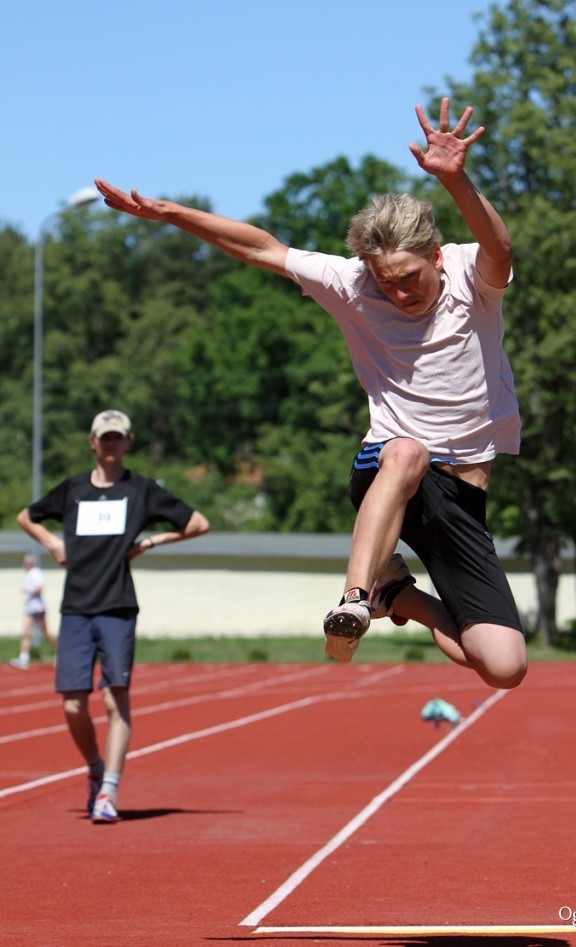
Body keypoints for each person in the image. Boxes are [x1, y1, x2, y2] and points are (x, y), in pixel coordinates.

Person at [94, 96, 526, 688]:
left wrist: (456, 180)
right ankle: (353, 598)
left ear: (435, 254)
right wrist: (169, 212)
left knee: (503, 667)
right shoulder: (351, 283)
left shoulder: (472, 275)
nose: (397, 294)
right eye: (385, 282)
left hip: (463, 495)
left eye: (409, 279)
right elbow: (260, 247)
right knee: (407, 449)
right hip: (389, 472)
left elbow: (500, 247)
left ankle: (394, 591)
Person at [16, 409, 210, 823]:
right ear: (92, 442)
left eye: (117, 437)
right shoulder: (71, 490)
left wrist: (151, 542)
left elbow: (198, 523)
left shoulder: (140, 490)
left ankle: (109, 792)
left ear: (128, 442)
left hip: (118, 605)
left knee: (114, 696)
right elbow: (25, 517)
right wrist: (52, 542)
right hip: (77, 607)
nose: (110, 444)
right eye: (104, 438)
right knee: (72, 704)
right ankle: (94, 767)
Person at [9, 554, 57, 669]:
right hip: (30, 608)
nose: (23, 564)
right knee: (25, 632)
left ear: (29, 563)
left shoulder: (37, 573)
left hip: (38, 607)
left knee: (45, 632)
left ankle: (61, 652)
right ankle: (24, 659)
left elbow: (39, 589)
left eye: (25, 562)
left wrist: (28, 590)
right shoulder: (30, 574)